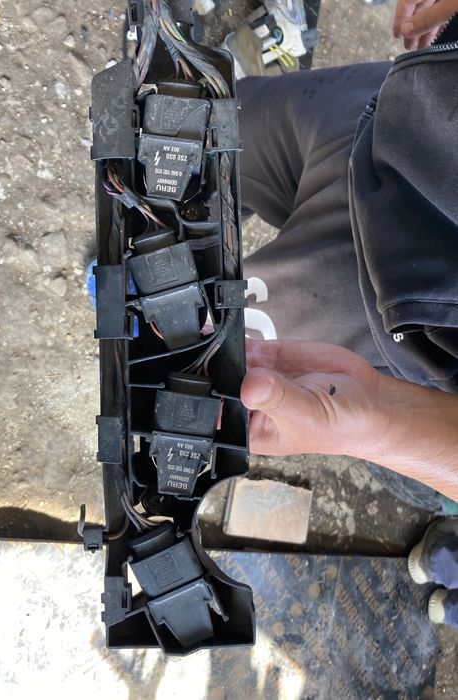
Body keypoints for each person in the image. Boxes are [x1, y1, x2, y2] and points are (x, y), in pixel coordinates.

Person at [237, 0, 458, 627]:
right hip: (400, 110)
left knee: (180, 351)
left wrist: (380, 418)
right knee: (200, 128)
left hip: (391, 319)